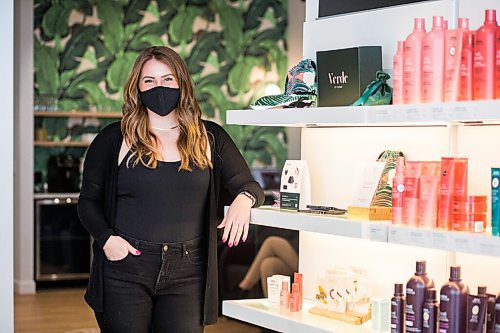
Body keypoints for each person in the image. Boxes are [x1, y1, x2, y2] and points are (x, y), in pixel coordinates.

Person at [78, 45, 264, 332]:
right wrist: (107, 240)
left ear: (181, 83)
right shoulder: (113, 139)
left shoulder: (210, 137)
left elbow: (249, 185)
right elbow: (87, 203)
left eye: (167, 79)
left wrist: (244, 199)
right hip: (126, 267)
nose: (159, 87)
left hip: (188, 270)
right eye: (149, 81)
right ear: (137, 88)